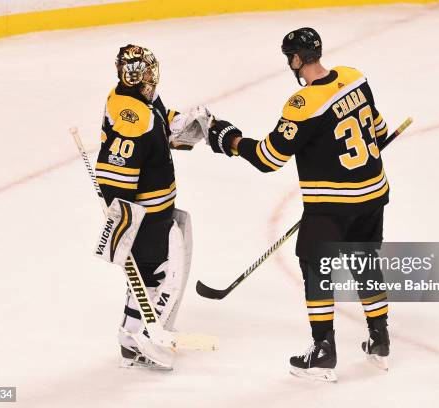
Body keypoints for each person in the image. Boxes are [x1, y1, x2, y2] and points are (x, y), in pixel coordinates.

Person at [206, 28, 392, 381]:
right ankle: (380, 339)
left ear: (295, 59)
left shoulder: (302, 105)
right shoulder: (355, 78)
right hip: (372, 194)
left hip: (334, 204)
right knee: (365, 260)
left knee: (315, 266)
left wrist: (227, 139)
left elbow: (267, 158)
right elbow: (379, 132)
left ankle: (323, 351)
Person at [95, 44, 202, 370]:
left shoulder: (134, 100)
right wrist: (125, 219)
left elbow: (160, 119)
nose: (155, 76)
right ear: (139, 76)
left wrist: (186, 125)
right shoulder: (134, 117)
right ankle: (137, 338)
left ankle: (132, 337)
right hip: (147, 212)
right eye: (149, 71)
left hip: (154, 208)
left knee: (145, 276)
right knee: (153, 276)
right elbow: (114, 173)